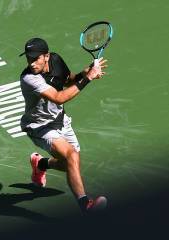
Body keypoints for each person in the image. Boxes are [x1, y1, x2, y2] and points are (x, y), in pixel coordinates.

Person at [19, 37, 108, 213]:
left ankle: (41, 164)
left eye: (36, 58)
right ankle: (86, 205)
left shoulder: (56, 60)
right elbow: (60, 97)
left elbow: (67, 81)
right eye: (29, 58)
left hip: (60, 119)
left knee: (70, 163)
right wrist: (88, 78)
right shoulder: (29, 78)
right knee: (71, 156)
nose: (32, 63)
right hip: (40, 126)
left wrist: (84, 74)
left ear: (46, 56)